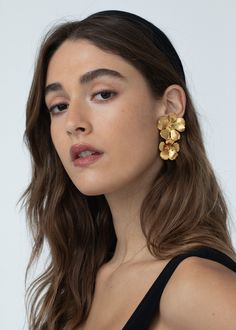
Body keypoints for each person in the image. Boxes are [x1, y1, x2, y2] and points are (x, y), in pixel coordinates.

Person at [22, 9, 236, 330]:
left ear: (170, 106)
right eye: (59, 106)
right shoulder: (75, 290)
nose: (74, 123)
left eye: (102, 94)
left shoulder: (196, 285)